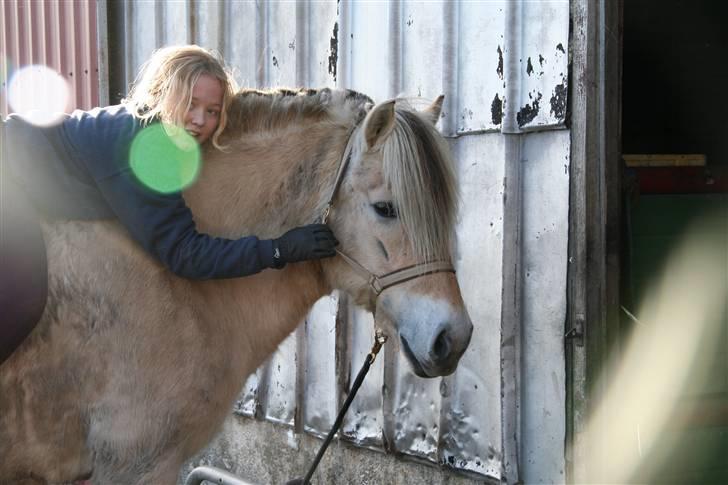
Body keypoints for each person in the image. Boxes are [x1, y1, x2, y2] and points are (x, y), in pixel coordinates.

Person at [0, 45, 338, 365]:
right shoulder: (144, 146)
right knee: (24, 298)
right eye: (190, 104)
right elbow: (182, 254)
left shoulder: (148, 133)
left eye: (212, 112)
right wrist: (278, 250)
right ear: (163, 94)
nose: (199, 120)